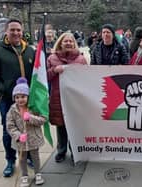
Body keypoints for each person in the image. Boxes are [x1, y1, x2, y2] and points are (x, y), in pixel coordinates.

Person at [0, 19, 35, 177]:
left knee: (28, 128)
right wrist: (1, 89)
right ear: (6, 31)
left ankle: (29, 156)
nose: (16, 33)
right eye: (13, 30)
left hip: (28, 100)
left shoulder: (29, 50)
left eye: (19, 30)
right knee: (9, 130)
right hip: (7, 100)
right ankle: (10, 160)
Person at [47, 32, 87, 163]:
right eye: (66, 41)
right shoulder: (52, 58)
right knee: (61, 126)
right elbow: (45, 77)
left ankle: (75, 150)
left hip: (75, 98)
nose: (68, 43)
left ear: (74, 43)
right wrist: (54, 70)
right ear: (60, 43)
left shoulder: (81, 59)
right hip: (58, 97)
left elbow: (87, 78)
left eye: (71, 41)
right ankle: (61, 151)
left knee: (75, 126)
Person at [6, 77, 45, 187]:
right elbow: (10, 125)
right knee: (22, 158)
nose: (20, 100)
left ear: (28, 97)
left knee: (35, 157)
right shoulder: (13, 109)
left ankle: (38, 173)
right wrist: (17, 135)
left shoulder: (33, 107)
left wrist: (30, 118)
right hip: (20, 141)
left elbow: (42, 119)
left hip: (33, 138)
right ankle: (24, 176)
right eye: (17, 97)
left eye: (23, 97)